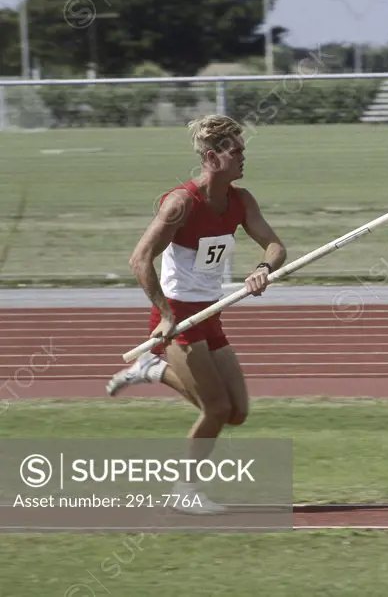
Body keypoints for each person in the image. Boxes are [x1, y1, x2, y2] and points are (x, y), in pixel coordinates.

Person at [106, 114, 287, 514]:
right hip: (178, 320)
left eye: (242, 149)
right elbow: (139, 259)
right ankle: (184, 490)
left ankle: (150, 370)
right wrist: (165, 315)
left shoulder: (241, 200)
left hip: (210, 312)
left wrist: (262, 270)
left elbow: (275, 246)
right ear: (211, 157)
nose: (243, 156)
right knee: (216, 409)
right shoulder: (181, 203)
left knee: (237, 412)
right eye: (235, 150)